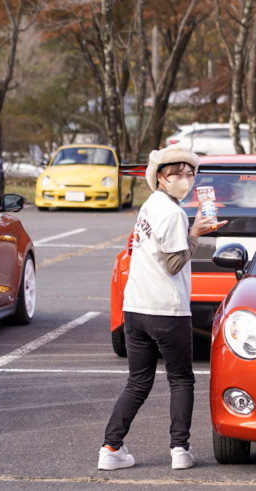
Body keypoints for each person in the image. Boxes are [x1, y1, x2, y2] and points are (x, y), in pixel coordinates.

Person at [98, 145, 227, 471]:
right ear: (160, 178)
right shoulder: (173, 213)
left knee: (138, 381)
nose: (184, 180)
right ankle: (180, 450)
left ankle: (111, 447)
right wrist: (195, 234)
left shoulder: (150, 206)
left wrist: (188, 231)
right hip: (167, 310)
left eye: (189, 174)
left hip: (136, 308)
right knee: (181, 380)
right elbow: (174, 264)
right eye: (176, 175)